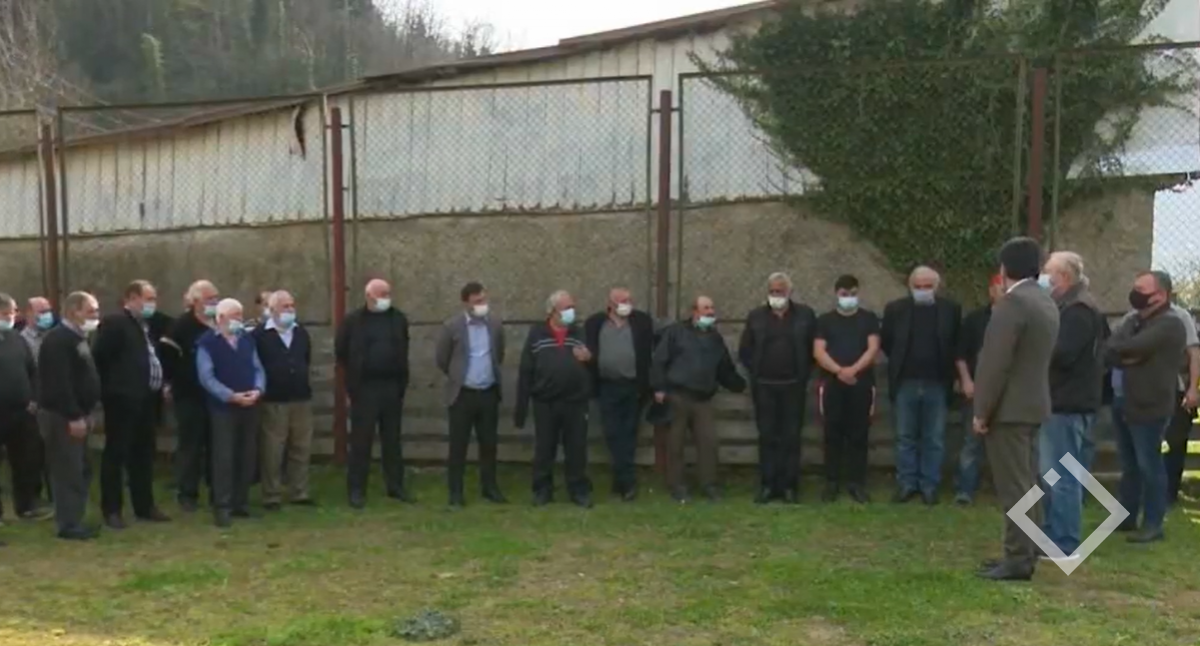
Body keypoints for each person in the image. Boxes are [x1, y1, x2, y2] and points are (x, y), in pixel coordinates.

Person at [972, 237, 1059, 581]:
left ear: (1004, 267)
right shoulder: (1045, 300)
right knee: (1029, 484)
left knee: (1015, 488)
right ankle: (1026, 550)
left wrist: (982, 410)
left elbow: (995, 363)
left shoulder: (1013, 303)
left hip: (1008, 409)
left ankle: (1018, 558)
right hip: (1033, 404)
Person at [1105, 271, 1187, 543]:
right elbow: (1112, 348)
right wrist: (1127, 355)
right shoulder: (1134, 320)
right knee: (1129, 464)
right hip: (1124, 399)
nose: (1135, 294)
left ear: (1160, 295)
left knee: (1149, 465)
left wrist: (1126, 353)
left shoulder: (1171, 324)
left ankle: (1153, 523)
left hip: (1150, 403)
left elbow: (1133, 347)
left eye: (1142, 289)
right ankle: (1127, 516)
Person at [1036, 252, 1107, 563]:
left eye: (1048, 272)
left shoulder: (1079, 310)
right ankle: (1052, 534)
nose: (1044, 277)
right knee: (1053, 474)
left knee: (1062, 475)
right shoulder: (1072, 306)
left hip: (1067, 403)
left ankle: (1063, 542)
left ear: (1063, 277)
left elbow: (1062, 353)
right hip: (1063, 401)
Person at [92, 280, 172, 529]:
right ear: (132, 298)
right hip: (122, 400)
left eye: (154, 299)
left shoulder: (143, 326)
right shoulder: (116, 323)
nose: (152, 304)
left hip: (146, 399)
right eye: (148, 299)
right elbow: (100, 357)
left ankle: (144, 505)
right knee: (116, 454)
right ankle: (112, 509)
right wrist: (113, 389)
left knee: (144, 453)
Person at [651, 295, 746, 503]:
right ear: (694, 311)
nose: (711, 312)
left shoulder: (715, 338)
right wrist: (658, 387)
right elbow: (659, 360)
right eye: (706, 308)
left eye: (712, 308)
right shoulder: (675, 332)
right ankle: (677, 485)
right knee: (675, 444)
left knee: (708, 442)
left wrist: (740, 385)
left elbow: (724, 368)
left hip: (703, 398)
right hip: (677, 395)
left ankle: (709, 484)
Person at [881, 265, 962, 505]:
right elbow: (887, 342)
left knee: (933, 438)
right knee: (905, 437)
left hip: (937, 382)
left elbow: (956, 343)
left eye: (928, 286)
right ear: (910, 286)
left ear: (936, 287)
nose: (923, 290)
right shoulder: (896, 309)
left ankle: (929, 485)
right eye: (918, 286)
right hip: (905, 382)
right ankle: (907, 483)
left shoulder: (950, 310)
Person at [737, 272, 817, 504]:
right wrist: (757, 373)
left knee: (791, 437)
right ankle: (768, 485)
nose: (776, 295)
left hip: (794, 387)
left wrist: (803, 375)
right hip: (764, 387)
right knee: (767, 436)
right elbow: (745, 350)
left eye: (780, 291)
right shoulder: (756, 317)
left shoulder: (805, 315)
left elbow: (814, 349)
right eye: (772, 291)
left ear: (789, 292)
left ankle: (790, 486)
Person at [336, 279, 412, 509]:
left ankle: (395, 485)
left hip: (392, 386)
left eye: (388, 293)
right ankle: (356, 490)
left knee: (392, 440)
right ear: (369, 296)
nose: (386, 298)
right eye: (381, 294)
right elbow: (341, 350)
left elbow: (404, 347)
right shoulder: (353, 321)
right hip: (365, 388)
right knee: (361, 441)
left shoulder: (398, 319)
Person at [514, 290, 594, 508]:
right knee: (544, 448)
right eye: (567, 308)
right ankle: (542, 490)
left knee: (576, 449)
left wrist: (589, 359)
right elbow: (526, 369)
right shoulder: (537, 334)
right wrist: (521, 407)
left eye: (573, 307)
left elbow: (592, 363)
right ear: (552, 311)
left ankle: (578, 490)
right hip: (545, 401)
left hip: (575, 402)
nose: (572, 312)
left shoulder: (579, 332)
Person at [435, 282, 507, 508]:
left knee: (489, 443)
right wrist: (458, 376)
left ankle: (490, 487)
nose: (482, 304)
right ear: (466, 303)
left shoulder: (495, 324)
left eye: (484, 299)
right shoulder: (451, 327)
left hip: (488, 392)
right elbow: (442, 359)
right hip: (462, 395)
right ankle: (456, 492)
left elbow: (499, 353)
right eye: (477, 301)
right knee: (458, 446)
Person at [38, 291, 103, 541]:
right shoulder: (58, 340)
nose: (95, 316)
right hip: (62, 417)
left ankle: (75, 516)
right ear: (74, 311)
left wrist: (88, 411)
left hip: (79, 414)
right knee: (68, 471)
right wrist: (74, 416)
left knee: (82, 468)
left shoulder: (78, 338)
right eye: (90, 311)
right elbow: (59, 383)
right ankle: (68, 524)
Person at [196, 298, 265, 528]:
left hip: (249, 404)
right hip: (223, 408)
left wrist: (258, 390)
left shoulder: (247, 339)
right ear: (221, 318)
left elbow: (258, 368)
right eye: (235, 315)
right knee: (224, 457)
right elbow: (207, 377)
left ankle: (240, 502)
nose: (239, 320)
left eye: (240, 315)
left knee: (247, 455)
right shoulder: (207, 343)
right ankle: (222, 506)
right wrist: (230, 396)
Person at [813, 275, 880, 503]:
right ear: (836, 294)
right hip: (832, 384)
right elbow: (818, 351)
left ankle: (856, 483)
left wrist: (853, 370)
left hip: (862, 384)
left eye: (852, 294)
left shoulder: (869, 319)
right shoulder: (825, 320)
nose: (848, 298)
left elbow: (873, 348)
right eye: (844, 294)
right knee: (831, 433)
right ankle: (831, 482)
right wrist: (839, 371)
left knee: (859, 433)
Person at [584, 287, 655, 501]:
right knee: (613, 433)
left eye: (629, 300)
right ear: (611, 303)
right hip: (607, 386)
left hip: (633, 386)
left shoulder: (641, 322)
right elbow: (589, 351)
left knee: (629, 433)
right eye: (623, 300)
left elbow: (649, 352)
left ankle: (624, 481)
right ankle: (625, 480)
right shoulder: (596, 323)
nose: (627, 304)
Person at [252, 290, 316, 510]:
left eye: (292, 306)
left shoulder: (301, 333)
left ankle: (299, 491)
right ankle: (271, 494)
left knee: (301, 446)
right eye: (285, 306)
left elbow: (306, 359)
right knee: (273, 449)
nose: (290, 310)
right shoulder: (259, 335)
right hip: (274, 400)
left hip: (301, 398)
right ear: (272, 310)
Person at [164, 280, 220, 512]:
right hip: (189, 395)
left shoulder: (220, 323)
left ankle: (218, 492)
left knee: (217, 445)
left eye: (216, 298)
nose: (214, 303)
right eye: (209, 299)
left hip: (217, 395)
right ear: (195, 302)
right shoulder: (181, 326)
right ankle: (187, 493)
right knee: (191, 445)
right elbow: (167, 357)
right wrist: (169, 383)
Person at [953, 274, 1004, 506]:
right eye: (1000, 288)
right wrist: (966, 381)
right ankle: (965, 489)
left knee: (1006, 445)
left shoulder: (1021, 319)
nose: (1004, 293)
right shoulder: (974, 320)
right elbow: (961, 354)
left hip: (1007, 392)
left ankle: (1006, 490)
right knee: (971, 442)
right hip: (977, 389)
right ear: (991, 291)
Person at [0, 293, 47, 527]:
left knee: (25, 460)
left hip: (22, 412)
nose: (11, 317)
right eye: (6, 313)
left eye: (12, 312)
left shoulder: (16, 339)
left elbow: (33, 370)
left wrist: (34, 398)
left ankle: (27, 505)